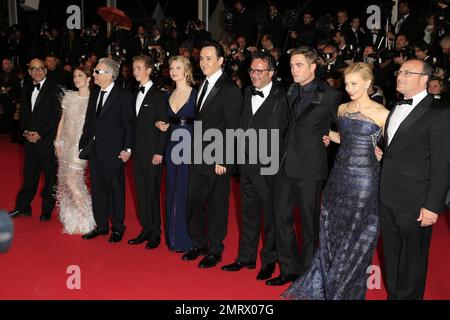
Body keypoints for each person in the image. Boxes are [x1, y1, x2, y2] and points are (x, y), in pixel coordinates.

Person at [283, 62, 389, 299]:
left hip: (364, 180)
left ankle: (344, 288)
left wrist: (378, 151)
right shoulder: (341, 109)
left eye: (354, 84)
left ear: (368, 83)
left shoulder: (382, 113)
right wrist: (326, 136)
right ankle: (329, 280)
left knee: (356, 232)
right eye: (347, 83)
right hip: (338, 175)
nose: (349, 88)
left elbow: (394, 147)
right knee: (332, 227)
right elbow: (344, 136)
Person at [266, 47, 341, 286]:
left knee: (309, 224)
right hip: (284, 163)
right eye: (291, 65)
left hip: (310, 166)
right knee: (281, 218)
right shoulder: (289, 90)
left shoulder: (330, 95)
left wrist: (332, 137)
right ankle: (289, 269)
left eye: (298, 65)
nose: (293, 70)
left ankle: (309, 273)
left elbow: (344, 126)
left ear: (313, 66)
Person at [379, 59, 450, 300]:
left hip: (416, 200)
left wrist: (432, 205)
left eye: (408, 73)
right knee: (391, 254)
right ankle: (394, 295)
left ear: (424, 79)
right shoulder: (395, 106)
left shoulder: (439, 112)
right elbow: (397, 148)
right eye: (400, 71)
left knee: (413, 258)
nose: (400, 76)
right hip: (387, 195)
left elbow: (443, 164)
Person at [221, 52, 288, 280]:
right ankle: (245, 257)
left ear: (272, 73)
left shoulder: (283, 96)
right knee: (247, 214)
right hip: (246, 166)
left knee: (269, 217)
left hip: (270, 168)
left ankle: (269, 260)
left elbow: (288, 133)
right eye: (252, 70)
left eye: (259, 71)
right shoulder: (247, 91)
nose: (254, 75)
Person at [181, 41, 243, 268]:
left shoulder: (229, 89)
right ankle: (199, 244)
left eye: (209, 58)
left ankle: (216, 249)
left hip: (218, 159)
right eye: (202, 58)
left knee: (217, 205)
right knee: (195, 201)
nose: (204, 62)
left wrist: (224, 158)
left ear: (220, 61)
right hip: (198, 155)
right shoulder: (201, 85)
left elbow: (234, 127)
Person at [79, 58, 134, 243]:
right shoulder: (95, 94)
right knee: (98, 189)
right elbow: (89, 123)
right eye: (95, 71)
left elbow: (128, 124)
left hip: (114, 151)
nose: (94, 74)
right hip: (94, 150)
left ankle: (118, 227)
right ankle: (101, 225)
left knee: (115, 189)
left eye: (98, 72)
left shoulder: (123, 95)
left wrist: (127, 148)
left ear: (110, 75)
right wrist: (83, 144)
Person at [9, 58, 62, 222]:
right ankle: (22, 208)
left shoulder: (55, 89)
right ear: (29, 71)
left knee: (50, 177)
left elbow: (57, 117)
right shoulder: (25, 89)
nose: (37, 71)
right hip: (29, 141)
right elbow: (24, 114)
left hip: (46, 141)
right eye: (34, 69)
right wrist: (25, 131)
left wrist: (40, 133)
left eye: (40, 68)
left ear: (46, 70)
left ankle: (47, 210)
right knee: (29, 175)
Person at [155, 56, 197, 252]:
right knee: (172, 189)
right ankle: (172, 237)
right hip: (172, 145)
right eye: (171, 67)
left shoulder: (196, 95)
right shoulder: (166, 96)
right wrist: (160, 123)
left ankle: (187, 238)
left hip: (189, 145)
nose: (173, 71)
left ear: (186, 70)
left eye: (178, 67)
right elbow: (164, 119)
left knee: (186, 190)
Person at [127, 55, 168, 250]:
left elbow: (164, 125)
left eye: (139, 68)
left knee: (152, 193)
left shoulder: (159, 95)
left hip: (153, 153)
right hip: (138, 153)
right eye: (133, 68)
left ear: (149, 70)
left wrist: (160, 152)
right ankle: (145, 229)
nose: (135, 71)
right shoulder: (134, 93)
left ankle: (155, 232)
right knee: (141, 192)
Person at [54, 67, 95, 234]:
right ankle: (74, 217)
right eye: (74, 76)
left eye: (80, 75)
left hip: (81, 146)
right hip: (66, 144)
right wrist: (58, 141)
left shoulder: (93, 99)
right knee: (68, 180)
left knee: (71, 180)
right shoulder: (69, 97)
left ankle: (87, 215)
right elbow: (62, 120)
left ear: (89, 79)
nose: (76, 78)